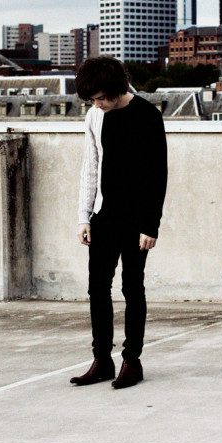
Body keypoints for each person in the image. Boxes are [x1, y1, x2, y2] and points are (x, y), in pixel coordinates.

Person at [71, 57, 167, 389]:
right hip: (104, 216)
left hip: (137, 220)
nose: (96, 104)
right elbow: (90, 167)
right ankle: (102, 360)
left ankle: (132, 360)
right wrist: (83, 217)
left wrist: (151, 225)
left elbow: (157, 174)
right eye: (91, 100)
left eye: (100, 98)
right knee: (97, 288)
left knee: (132, 287)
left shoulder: (147, 115)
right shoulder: (95, 116)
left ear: (115, 88)